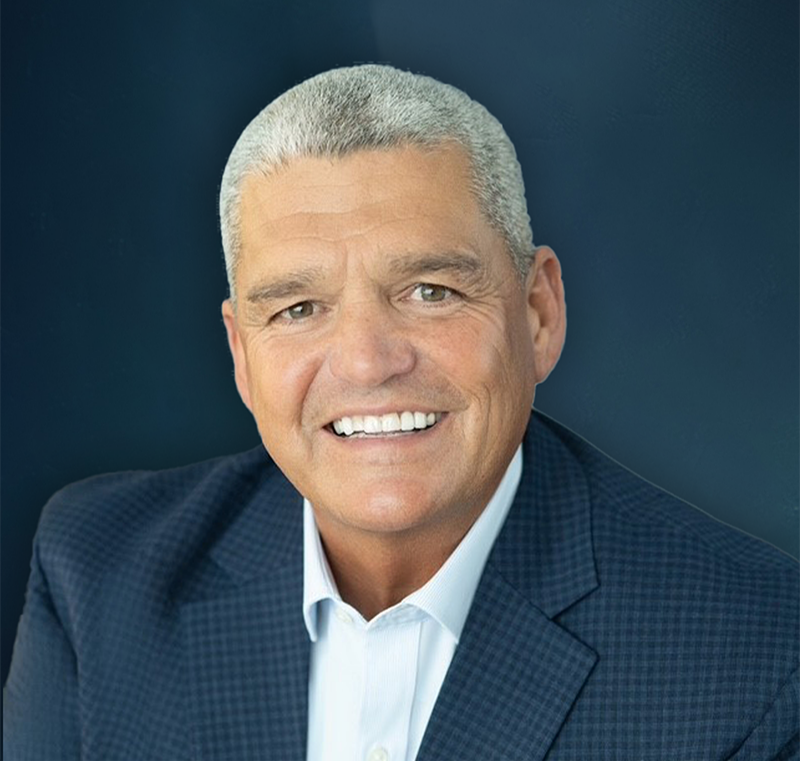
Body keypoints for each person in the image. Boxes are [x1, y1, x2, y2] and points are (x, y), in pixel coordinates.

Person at [4, 64, 798, 761]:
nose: (366, 361)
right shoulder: (99, 575)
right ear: (241, 355)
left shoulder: (755, 652)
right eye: (299, 308)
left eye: (430, 292)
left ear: (538, 315)